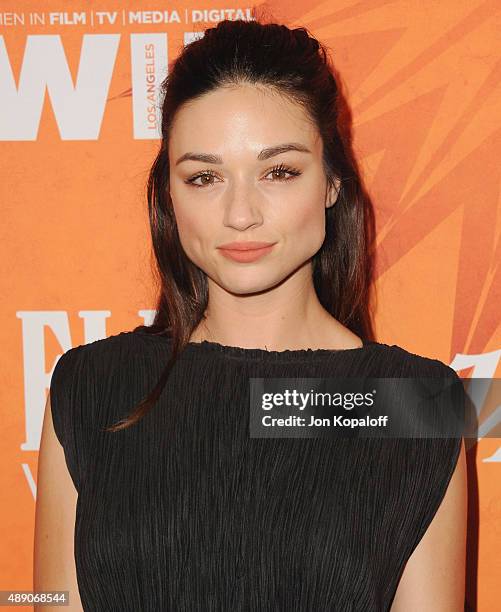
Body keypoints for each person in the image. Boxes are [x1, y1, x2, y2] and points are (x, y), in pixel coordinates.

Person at [34, 18, 467, 611]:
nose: (241, 213)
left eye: (279, 171)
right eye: (204, 177)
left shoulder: (414, 404)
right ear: (168, 193)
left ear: (333, 181)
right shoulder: (90, 387)